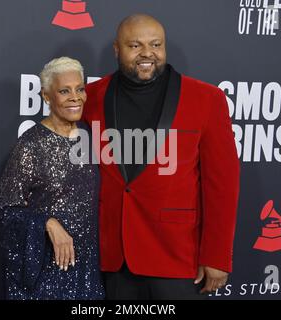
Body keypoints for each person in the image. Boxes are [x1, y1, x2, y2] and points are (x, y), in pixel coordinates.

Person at [83, 14, 240, 299]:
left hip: (177, 256)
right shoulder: (90, 98)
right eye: (135, 45)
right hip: (114, 257)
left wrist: (217, 256)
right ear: (117, 50)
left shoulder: (207, 99)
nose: (147, 53)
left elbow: (222, 186)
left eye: (156, 44)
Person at [0, 57, 104, 300]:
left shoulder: (92, 137)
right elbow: (2, 212)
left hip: (88, 275)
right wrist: (47, 223)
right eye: (64, 91)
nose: (75, 97)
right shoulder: (31, 145)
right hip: (46, 278)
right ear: (46, 97)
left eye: (80, 89)